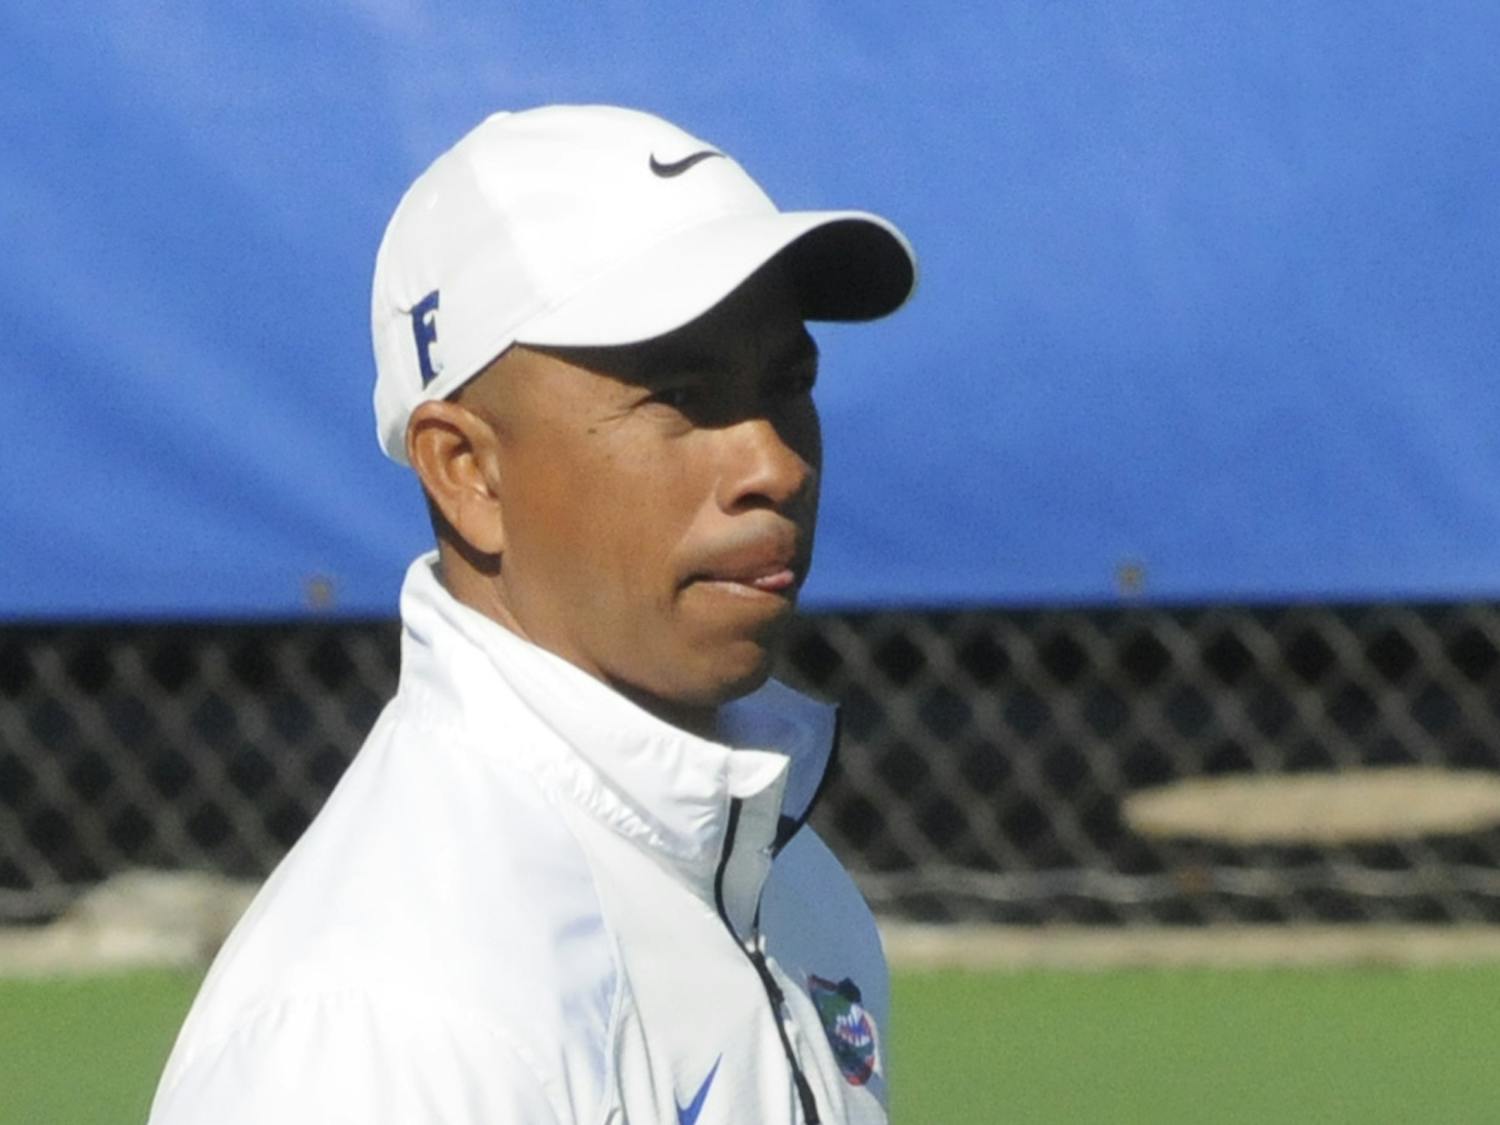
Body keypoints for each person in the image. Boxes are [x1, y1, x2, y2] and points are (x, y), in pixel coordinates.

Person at [148, 104, 916, 1125]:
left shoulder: (789, 884)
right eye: (680, 396)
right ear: (465, 469)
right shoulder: (386, 1020)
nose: (773, 464)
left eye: (789, 383)